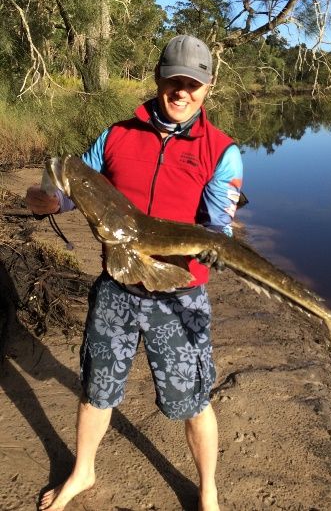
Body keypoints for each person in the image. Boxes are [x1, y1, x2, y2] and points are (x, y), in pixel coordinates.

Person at [26, 34, 243, 511]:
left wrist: (217, 243)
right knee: (96, 388)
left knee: (193, 400)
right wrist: (48, 201)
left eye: (194, 83)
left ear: (208, 87)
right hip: (117, 286)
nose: (182, 91)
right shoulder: (117, 134)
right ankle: (83, 471)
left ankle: (208, 491)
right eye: (174, 80)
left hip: (179, 294)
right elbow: (73, 185)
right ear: (158, 78)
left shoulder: (222, 151)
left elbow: (217, 224)